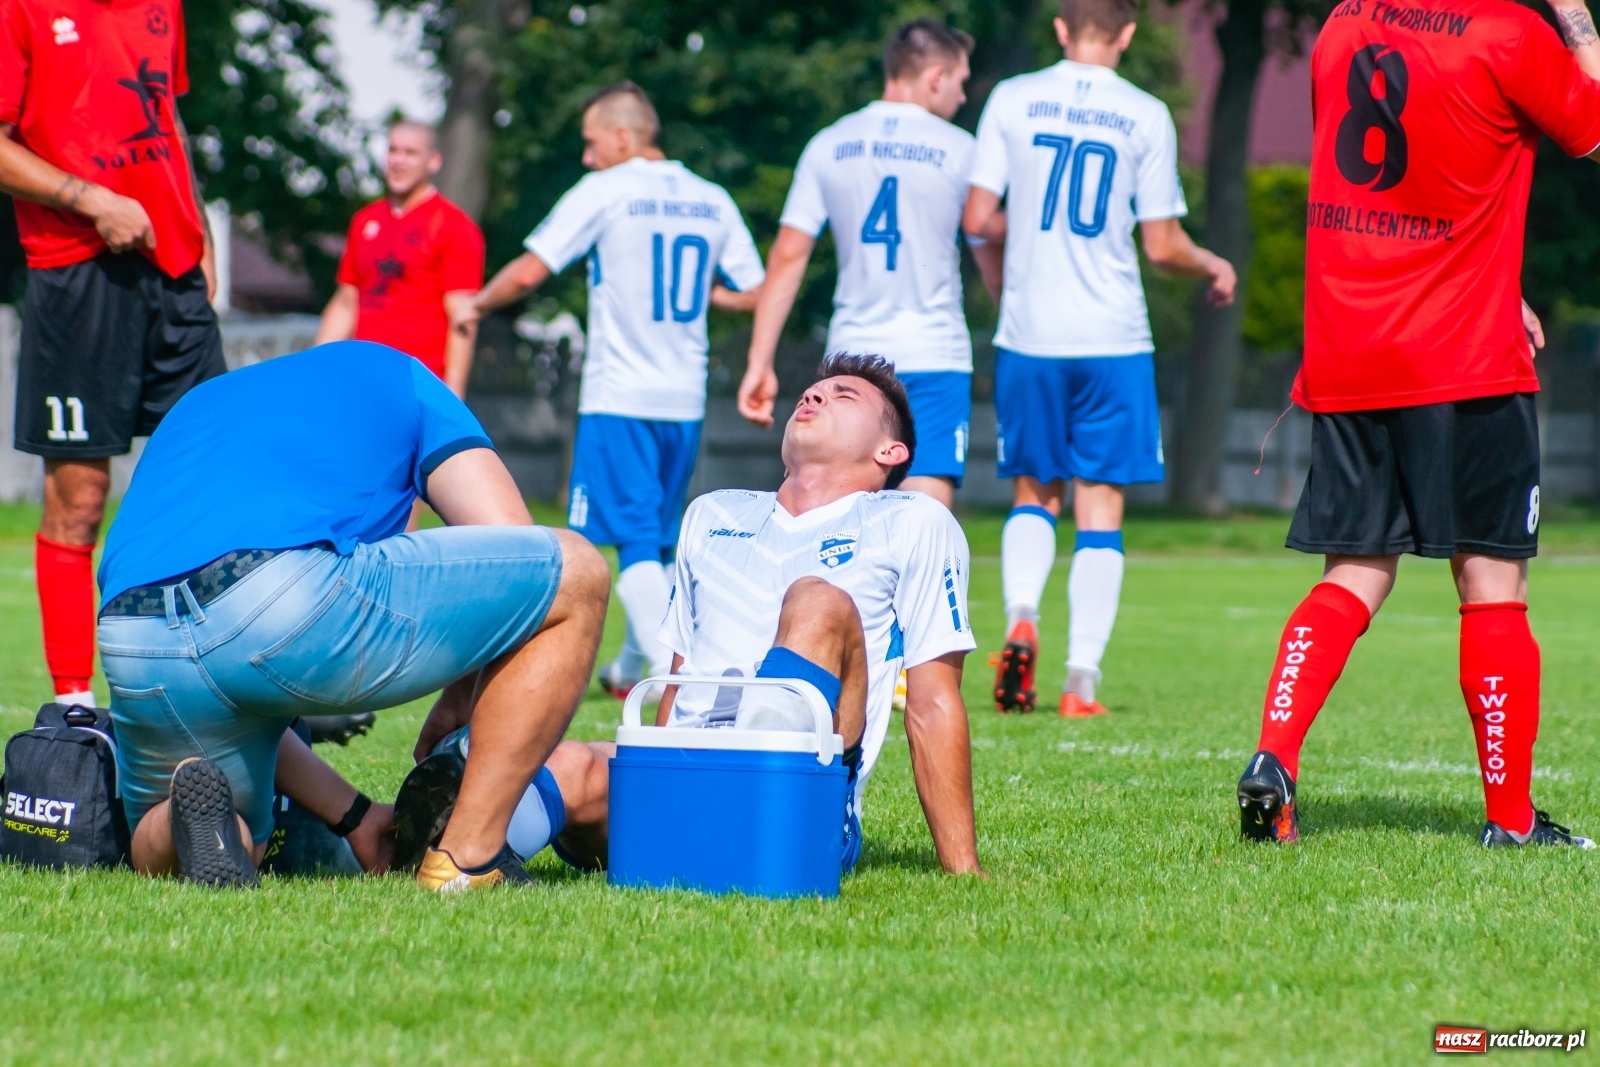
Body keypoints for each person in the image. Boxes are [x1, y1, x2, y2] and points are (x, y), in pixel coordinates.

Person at [1236, 0, 1600, 848]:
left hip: (1350, 344)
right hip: (1463, 356)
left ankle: (1273, 760)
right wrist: (1578, 17)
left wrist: (1493, 275)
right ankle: (1511, 820)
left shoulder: (1343, 24)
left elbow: (1403, 182)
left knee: (1356, 569)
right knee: (1492, 583)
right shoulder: (1512, 32)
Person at [396, 354, 985, 877]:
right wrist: (653, 763)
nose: (813, 396)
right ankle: (456, 858)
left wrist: (963, 872)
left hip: (801, 805)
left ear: (891, 451)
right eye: (813, 390)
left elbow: (932, 703)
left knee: (818, 599)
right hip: (684, 776)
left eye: (843, 395)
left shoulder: (913, 521)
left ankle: (747, 804)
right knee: (570, 761)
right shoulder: (712, 514)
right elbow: (680, 677)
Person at [95, 341, 610, 888]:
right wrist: (464, 693)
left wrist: (356, 815)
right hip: (275, 599)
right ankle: (469, 860)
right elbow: (516, 551)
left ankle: (186, 828)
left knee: (244, 831)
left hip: (134, 634)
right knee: (575, 573)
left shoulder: (201, 403)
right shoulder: (409, 379)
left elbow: (223, 642)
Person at [962, 0, 1235, 717]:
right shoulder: (1144, 113)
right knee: (1101, 514)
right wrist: (1211, 265)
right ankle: (1080, 682)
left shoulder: (1012, 99)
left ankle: (1022, 613)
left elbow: (977, 219)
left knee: (1034, 494)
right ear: (1127, 34)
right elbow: (1162, 246)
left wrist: (1002, 276)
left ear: (1060, 29)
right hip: (1112, 338)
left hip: (1030, 335)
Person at [463, 82, 765, 699]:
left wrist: (477, 302)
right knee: (651, 538)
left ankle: (680, 679)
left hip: (621, 396)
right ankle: (630, 669)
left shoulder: (606, 190)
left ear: (622, 138)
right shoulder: (711, 199)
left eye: (591, 142)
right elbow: (758, 290)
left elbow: (531, 268)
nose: (586, 156)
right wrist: (711, 297)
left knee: (632, 544)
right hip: (684, 397)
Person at [0, 0, 226, 710]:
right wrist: (92, 198)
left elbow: (170, 120)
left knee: (214, 478)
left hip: (175, 266)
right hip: (76, 272)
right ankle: (74, 706)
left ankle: (225, 682)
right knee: (80, 497)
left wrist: (203, 232)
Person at [738, 18, 999, 510]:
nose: (962, 98)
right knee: (924, 522)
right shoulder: (962, 150)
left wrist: (759, 361)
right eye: (961, 83)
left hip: (852, 362)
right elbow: (991, 259)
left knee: (837, 514)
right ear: (936, 77)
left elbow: (789, 255)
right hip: (934, 354)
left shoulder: (829, 143)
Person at [315, 120, 486, 399]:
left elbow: (463, 318)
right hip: (364, 381)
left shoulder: (454, 227)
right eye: (393, 150)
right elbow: (347, 302)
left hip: (419, 386)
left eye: (410, 153)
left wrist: (453, 398)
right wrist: (315, 368)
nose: (398, 160)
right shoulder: (365, 221)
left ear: (434, 161)